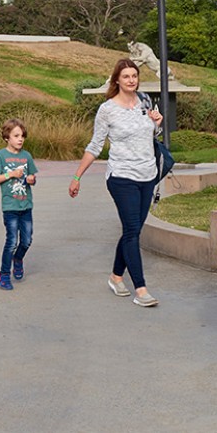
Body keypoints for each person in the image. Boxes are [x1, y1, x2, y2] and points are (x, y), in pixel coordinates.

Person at [68, 58, 163, 307]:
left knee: (133, 231)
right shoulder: (107, 109)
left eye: (135, 75)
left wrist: (157, 124)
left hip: (148, 174)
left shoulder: (145, 100)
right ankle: (141, 289)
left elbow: (152, 134)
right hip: (122, 177)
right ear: (117, 80)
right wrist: (77, 176)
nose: (132, 80)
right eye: (126, 76)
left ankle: (115, 276)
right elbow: (95, 146)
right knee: (132, 231)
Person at [0, 118, 38, 290]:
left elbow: (32, 177)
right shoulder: (0, 156)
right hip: (10, 207)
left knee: (27, 240)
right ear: (7, 137)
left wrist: (32, 179)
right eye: (16, 135)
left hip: (26, 206)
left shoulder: (27, 156)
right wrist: (11, 175)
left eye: (22, 136)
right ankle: (3, 274)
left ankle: (18, 259)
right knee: (11, 241)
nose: (20, 139)